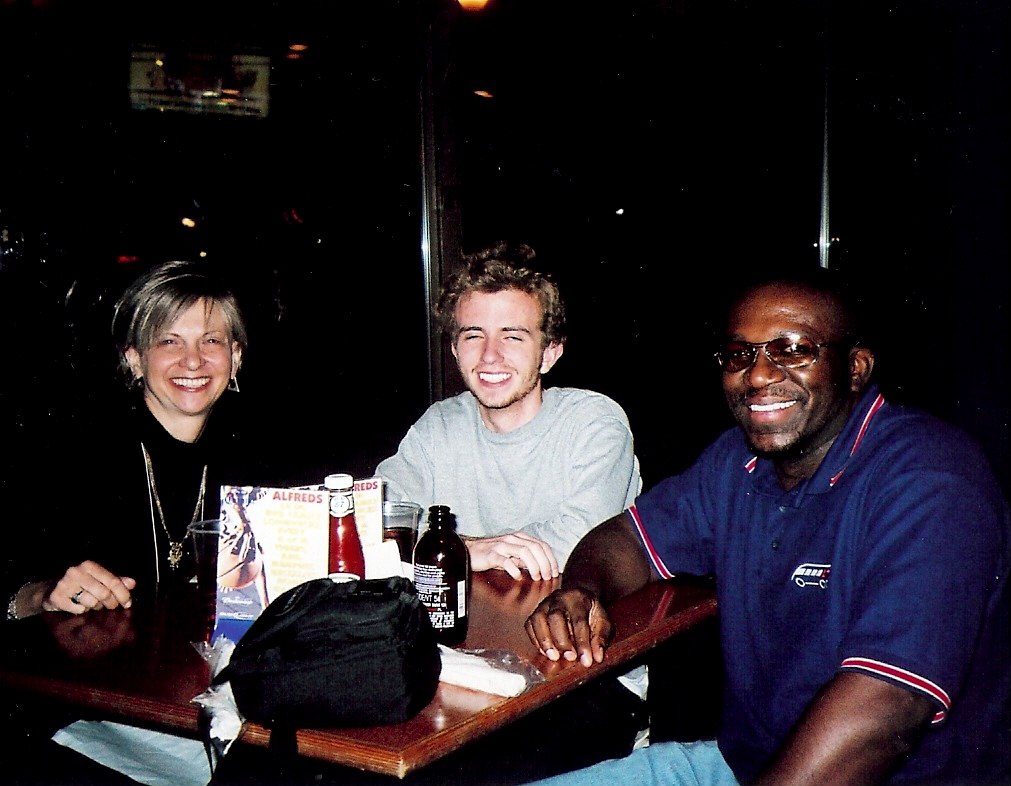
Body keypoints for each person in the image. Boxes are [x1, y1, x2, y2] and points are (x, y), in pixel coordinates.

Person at [523, 267, 1010, 786]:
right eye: (740, 355)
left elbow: (883, 712)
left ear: (856, 368)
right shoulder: (737, 462)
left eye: (792, 350)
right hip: (744, 766)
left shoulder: (932, 480)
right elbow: (628, 539)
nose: (757, 375)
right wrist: (581, 590)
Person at [3, 259, 274, 785]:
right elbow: (13, 588)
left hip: (207, 713)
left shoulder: (259, 460)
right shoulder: (71, 451)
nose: (193, 360)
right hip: (87, 721)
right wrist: (39, 596)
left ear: (236, 357)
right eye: (169, 341)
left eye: (212, 341)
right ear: (133, 358)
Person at [376, 241, 641, 580]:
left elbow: (584, 541)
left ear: (549, 354)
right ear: (455, 350)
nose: (490, 355)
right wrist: (468, 549)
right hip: (475, 610)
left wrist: (451, 549)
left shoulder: (594, 423)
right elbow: (376, 523)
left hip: (569, 610)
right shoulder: (438, 427)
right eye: (473, 336)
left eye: (512, 337)